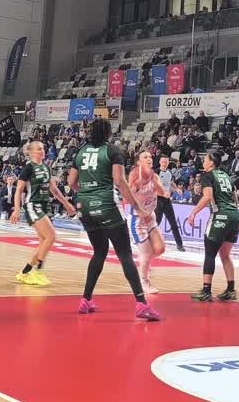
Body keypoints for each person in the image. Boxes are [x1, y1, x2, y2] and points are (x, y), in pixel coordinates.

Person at [67, 118, 161, 321]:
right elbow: (119, 181)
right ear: (109, 133)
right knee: (124, 254)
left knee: (99, 252)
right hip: (107, 205)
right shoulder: (112, 151)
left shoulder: (80, 151)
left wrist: (88, 193)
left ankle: (85, 299)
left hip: (84, 206)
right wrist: (138, 207)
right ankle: (141, 304)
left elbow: (71, 182)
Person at [10, 140, 76, 287]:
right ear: (31, 152)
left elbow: (54, 190)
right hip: (33, 205)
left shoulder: (46, 167)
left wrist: (66, 204)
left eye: (43, 148)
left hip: (45, 206)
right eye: (39, 149)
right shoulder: (28, 168)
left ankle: (24, 273)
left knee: (43, 245)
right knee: (51, 237)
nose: (42, 151)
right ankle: (38, 272)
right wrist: (16, 209)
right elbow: (19, 190)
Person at [186, 148, 239, 303]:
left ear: (211, 163)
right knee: (225, 255)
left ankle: (206, 291)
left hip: (220, 215)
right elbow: (235, 198)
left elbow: (207, 196)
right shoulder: (227, 176)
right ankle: (231, 290)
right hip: (235, 215)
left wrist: (193, 212)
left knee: (210, 254)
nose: (203, 162)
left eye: (205, 160)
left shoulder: (208, 176)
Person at [127, 149, 170, 294]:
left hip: (150, 217)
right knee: (147, 254)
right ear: (139, 162)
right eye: (145, 157)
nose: (149, 159)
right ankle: (144, 282)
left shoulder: (154, 176)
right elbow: (128, 197)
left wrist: (165, 192)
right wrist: (140, 210)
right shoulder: (135, 176)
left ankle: (143, 259)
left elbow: (161, 191)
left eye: (150, 157)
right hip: (137, 220)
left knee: (160, 249)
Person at [155, 154, 186, 251]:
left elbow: (171, 183)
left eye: (166, 162)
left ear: (168, 162)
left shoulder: (169, 172)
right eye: (163, 162)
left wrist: (177, 189)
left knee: (173, 223)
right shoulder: (156, 172)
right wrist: (163, 193)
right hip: (158, 200)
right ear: (160, 162)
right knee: (156, 223)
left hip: (167, 201)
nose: (164, 163)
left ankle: (180, 245)